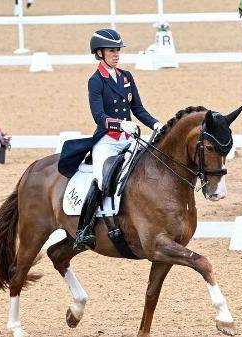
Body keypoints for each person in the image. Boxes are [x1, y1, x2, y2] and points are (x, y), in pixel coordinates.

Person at [58, 28, 163, 249]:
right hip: (107, 139)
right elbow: (98, 116)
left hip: (129, 137)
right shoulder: (96, 81)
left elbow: (138, 109)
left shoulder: (126, 77)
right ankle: (85, 230)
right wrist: (119, 123)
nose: (116, 54)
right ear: (100, 53)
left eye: (118, 50)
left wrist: (155, 123)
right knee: (100, 179)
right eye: (112, 50)